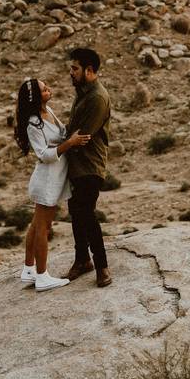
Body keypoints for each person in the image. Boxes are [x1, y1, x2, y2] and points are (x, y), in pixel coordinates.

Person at [13, 78, 90, 292]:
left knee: (36, 225)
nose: (49, 89)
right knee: (43, 228)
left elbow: (61, 133)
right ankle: (42, 275)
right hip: (46, 180)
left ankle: (29, 268)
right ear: (35, 97)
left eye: (47, 85)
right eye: (44, 89)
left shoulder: (49, 112)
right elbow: (44, 155)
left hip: (54, 179)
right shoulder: (33, 123)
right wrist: (70, 143)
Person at [62, 47, 113, 287]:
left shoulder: (97, 97)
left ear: (89, 71)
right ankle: (82, 260)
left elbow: (82, 136)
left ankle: (101, 266)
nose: (70, 73)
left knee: (86, 214)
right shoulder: (82, 92)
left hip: (90, 165)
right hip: (77, 166)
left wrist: (60, 145)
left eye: (75, 69)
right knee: (77, 212)